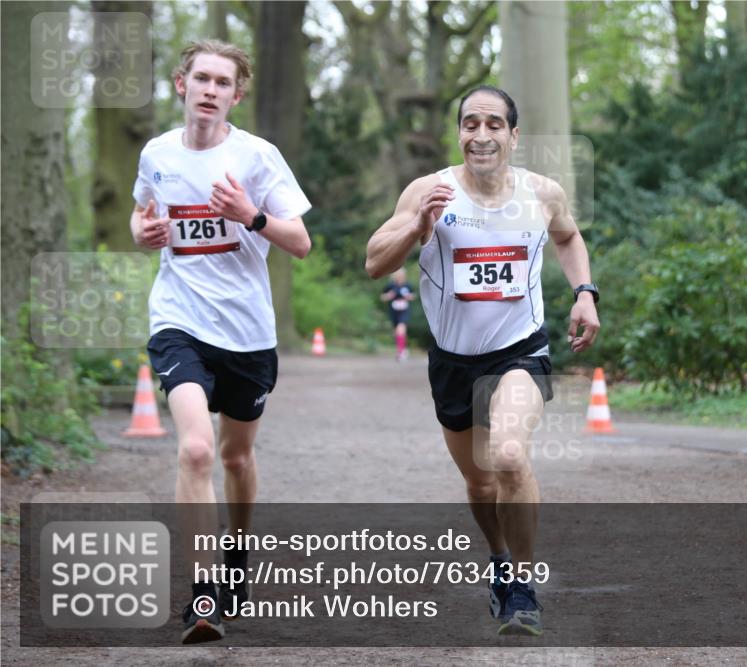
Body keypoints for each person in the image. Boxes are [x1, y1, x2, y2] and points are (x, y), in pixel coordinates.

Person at [365, 85, 600, 636]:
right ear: (460, 133)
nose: (482, 135)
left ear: (513, 136)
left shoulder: (542, 193)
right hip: (453, 361)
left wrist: (585, 291)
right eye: (471, 124)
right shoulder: (430, 190)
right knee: (480, 485)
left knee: (511, 456)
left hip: (520, 351)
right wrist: (416, 226)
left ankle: (521, 585)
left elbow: (568, 238)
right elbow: (375, 262)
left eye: (494, 124)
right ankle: (498, 557)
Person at [130, 39, 311, 644]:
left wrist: (248, 214)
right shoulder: (156, 153)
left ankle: (236, 560)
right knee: (197, 450)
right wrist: (145, 232)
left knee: (235, 457)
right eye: (201, 78)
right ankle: (202, 593)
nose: (210, 90)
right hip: (178, 318)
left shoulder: (258, 158)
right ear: (181, 85)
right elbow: (142, 214)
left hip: (247, 333)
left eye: (223, 82)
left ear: (237, 94)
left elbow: (300, 242)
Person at [380, 268, 416, 361]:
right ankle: (402, 349)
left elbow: (413, 296)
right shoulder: (390, 286)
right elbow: (382, 297)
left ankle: (401, 352)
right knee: (396, 332)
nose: (399, 277)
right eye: (397, 276)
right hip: (394, 311)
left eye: (401, 275)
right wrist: (388, 296)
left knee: (401, 329)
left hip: (404, 311)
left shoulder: (407, 285)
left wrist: (408, 297)